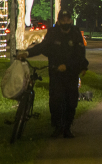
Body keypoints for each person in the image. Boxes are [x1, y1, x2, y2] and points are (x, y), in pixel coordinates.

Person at [17, 10, 89, 138]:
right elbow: (42, 47)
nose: (66, 22)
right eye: (63, 19)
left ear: (70, 20)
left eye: (68, 19)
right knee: (56, 100)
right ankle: (57, 127)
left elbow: (80, 54)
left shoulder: (76, 33)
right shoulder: (53, 33)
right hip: (56, 72)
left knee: (71, 101)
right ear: (59, 20)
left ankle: (67, 127)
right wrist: (27, 53)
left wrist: (77, 66)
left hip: (71, 73)